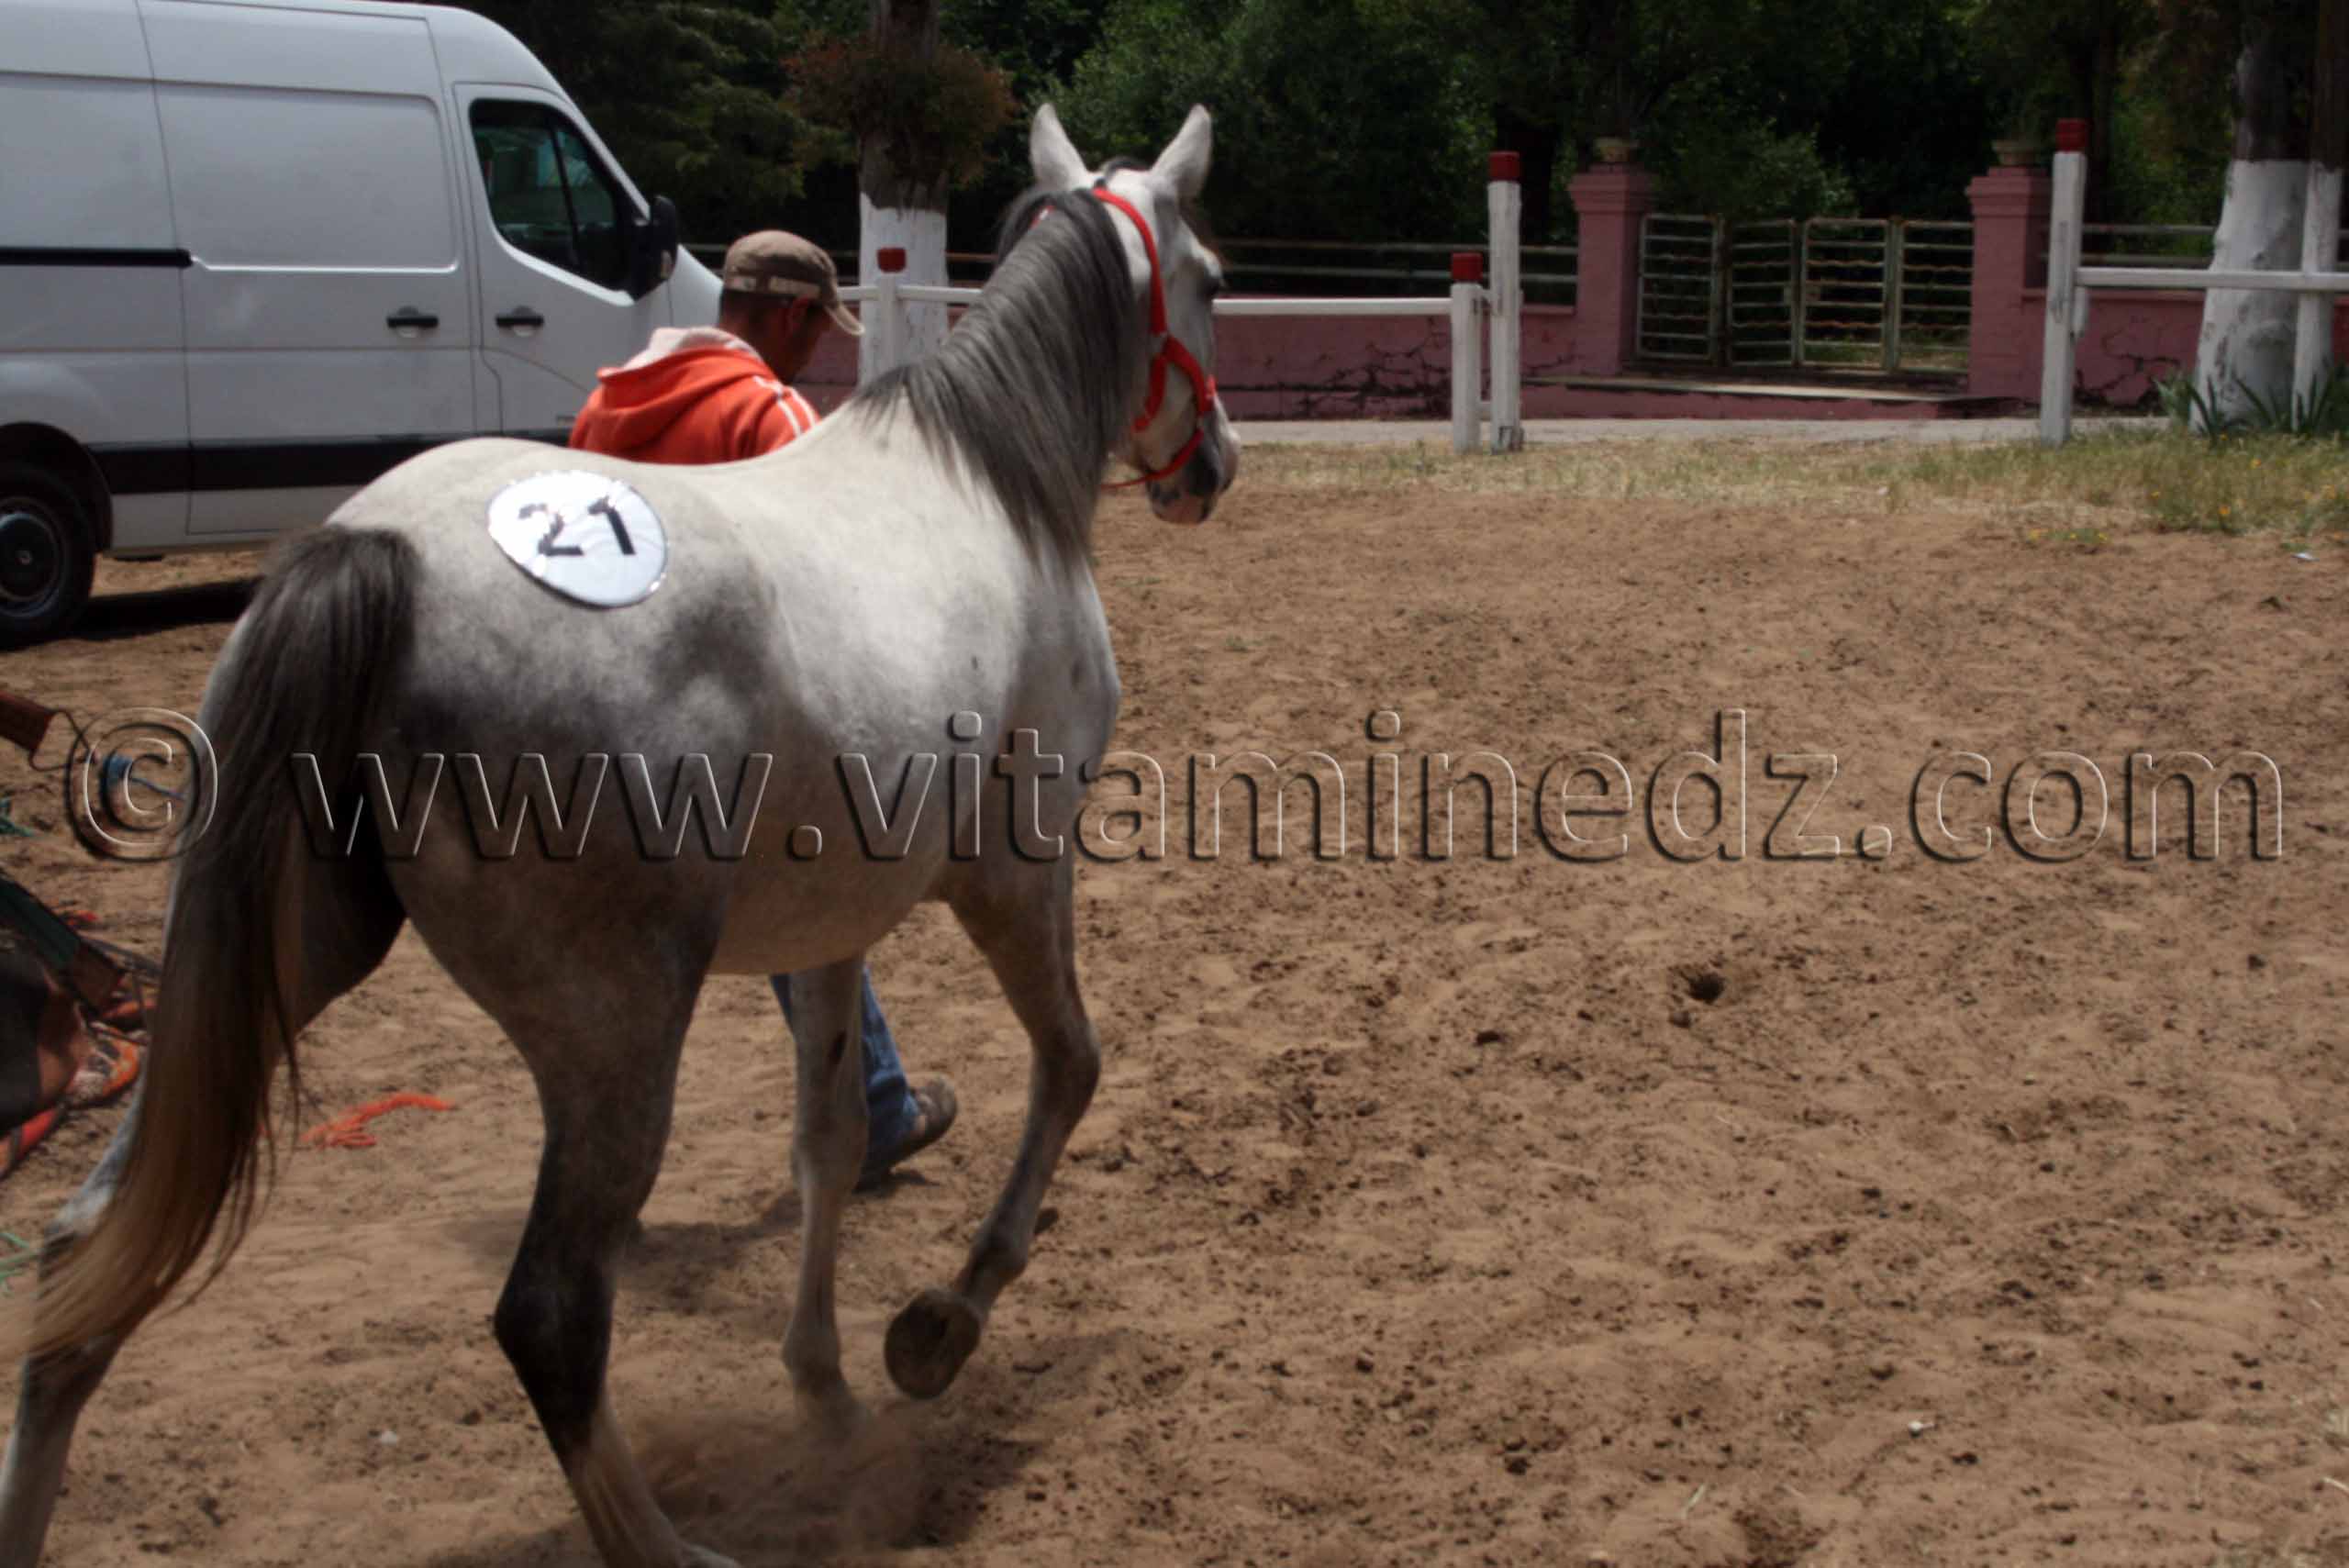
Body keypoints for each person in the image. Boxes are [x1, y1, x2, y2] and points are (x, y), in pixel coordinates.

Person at [568, 229, 958, 1190]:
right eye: (816, 331)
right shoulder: (769, 414)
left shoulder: (604, 406)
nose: (815, 350)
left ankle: (596, 1163)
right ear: (786, 315)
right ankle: (871, 1103)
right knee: (810, 889)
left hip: (595, 715)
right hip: (726, 719)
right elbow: (822, 578)